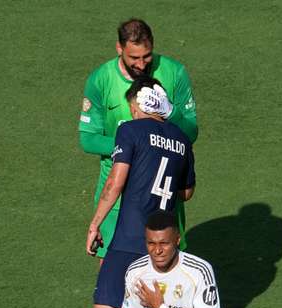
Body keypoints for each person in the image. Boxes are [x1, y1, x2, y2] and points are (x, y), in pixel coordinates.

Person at [59, 77, 195, 308]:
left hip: (129, 240)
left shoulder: (130, 130)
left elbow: (115, 182)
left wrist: (94, 224)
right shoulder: (182, 140)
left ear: (137, 104)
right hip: (162, 246)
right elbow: (187, 192)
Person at [78, 18, 198, 259]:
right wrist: (134, 145)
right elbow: (88, 139)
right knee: (113, 268)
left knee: (165, 269)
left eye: (147, 56)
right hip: (117, 199)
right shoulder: (101, 79)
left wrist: (171, 112)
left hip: (164, 195)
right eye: (134, 58)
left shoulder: (174, 73)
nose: (141, 64)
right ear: (119, 48)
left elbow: (191, 132)